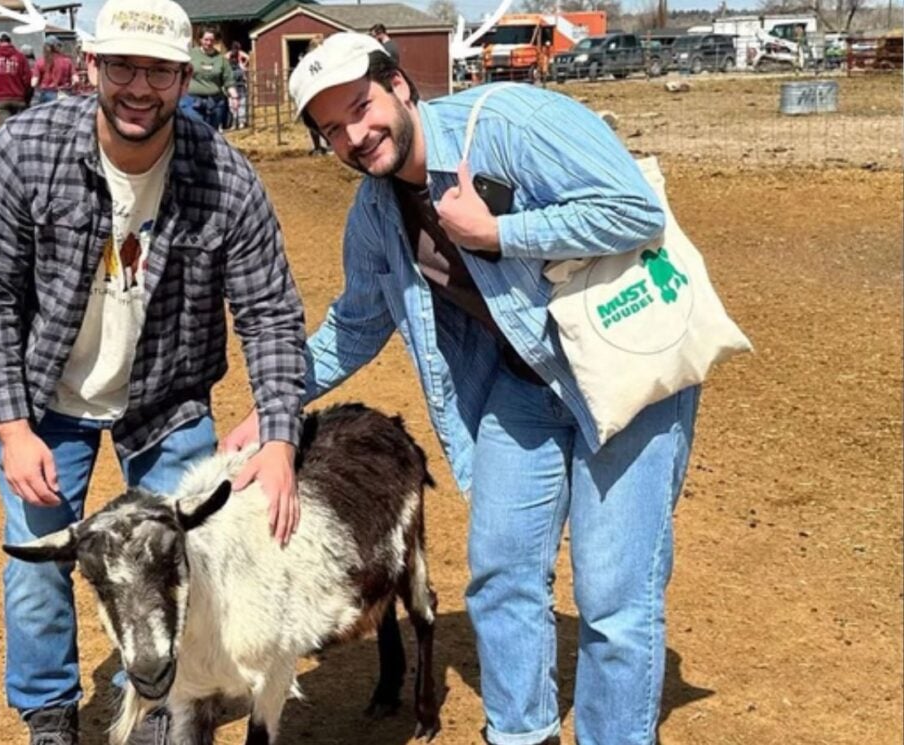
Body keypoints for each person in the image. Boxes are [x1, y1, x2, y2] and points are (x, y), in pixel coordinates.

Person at [224, 33, 700, 745]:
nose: (355, 135)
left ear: (400, 86)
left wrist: (499, 232)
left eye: (361, 107)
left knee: (613, 596)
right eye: (332, 129)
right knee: (502, 572)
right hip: (522, 386)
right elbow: (352, 327)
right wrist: (274, 405)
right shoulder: (376, 214)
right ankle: (518, 732)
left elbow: (634, 210)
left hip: (622, 378)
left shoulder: (511, 122)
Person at [0, 0, 307, 741]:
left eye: (158, 71)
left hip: (167, 400)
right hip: (46, 396)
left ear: (185, 77)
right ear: (92, 68)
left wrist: (280, 436)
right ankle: (48, 711)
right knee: (38, 564)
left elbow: (271, 313)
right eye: (122, 66)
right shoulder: (24, 152)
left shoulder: (227, 179)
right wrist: (13, 426)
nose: (139, 88)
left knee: (180, 552)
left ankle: (161, 703)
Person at [184, 26, 236, 129]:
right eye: (206, 40)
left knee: (212, 132)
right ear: (200, 39)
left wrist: (235, 97)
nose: (208, 43)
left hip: (214, 102)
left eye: (211, 40)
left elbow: (229, 81)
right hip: (192, 100)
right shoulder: (190, 55)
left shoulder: (221, 59)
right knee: (195, 129)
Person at [0, 32, 32, 128]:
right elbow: (27, 79)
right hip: (18, 97)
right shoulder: (20, 57)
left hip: (0, 97)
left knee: (5, 128)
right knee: (19, 127)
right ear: (10, 42)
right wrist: (26, 96)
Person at [33, 35, 75, 104]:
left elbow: (33, 83)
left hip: (47, 94)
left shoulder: (40, 62)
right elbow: (76, 80)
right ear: (57, 47)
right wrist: (70, 87)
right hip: (64, 94)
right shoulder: (67, 61)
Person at [225, 40, 249, 129]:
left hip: (237, 86)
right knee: (236, 105)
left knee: (238, 105)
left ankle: (239, 122)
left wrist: (243, 65)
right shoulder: (229, 57)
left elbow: (247, 57)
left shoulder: (233, 57)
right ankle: (238, 123)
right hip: (236, 86)